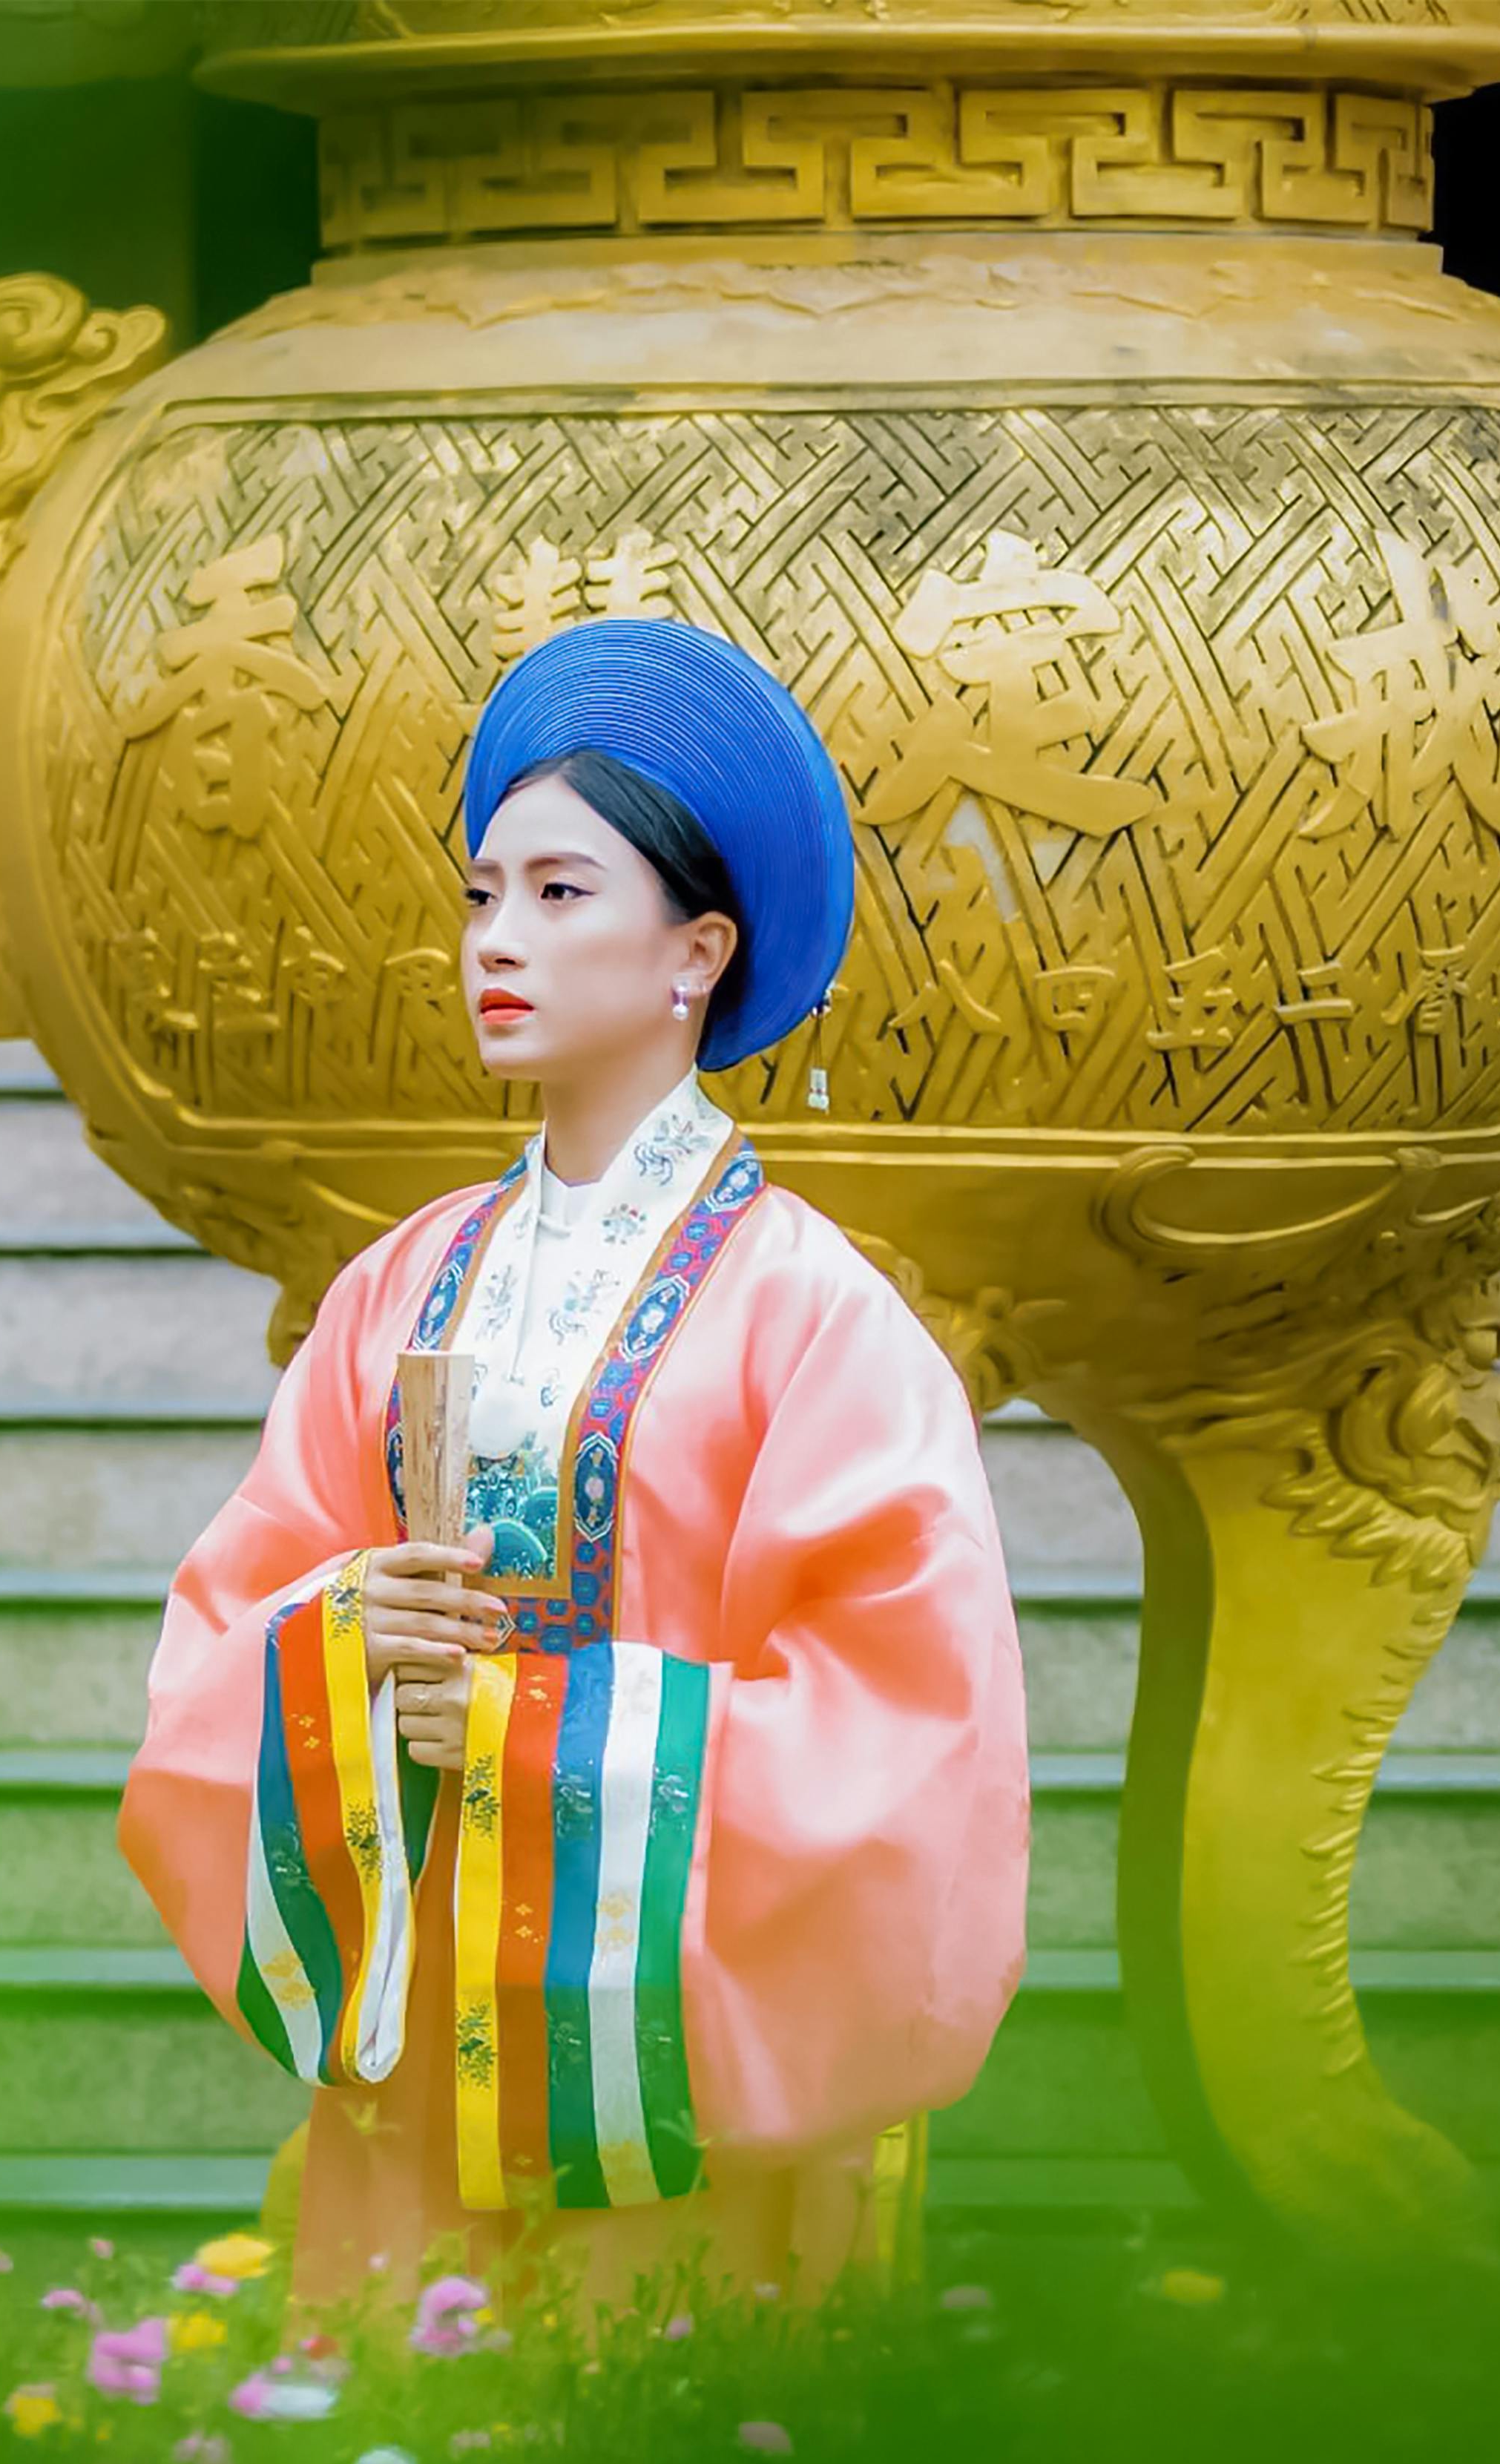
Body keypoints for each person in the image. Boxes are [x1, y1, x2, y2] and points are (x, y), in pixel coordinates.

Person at [116, 617, 1030, 2319]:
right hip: (419, 2061)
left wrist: (539, 1731)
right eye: (480, 895)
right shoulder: (397, 1286)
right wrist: (336, 1638)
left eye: (556, 895)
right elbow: (230, 1614)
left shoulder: (813, 1316)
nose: (493, 941)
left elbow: (908, 1730)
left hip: (674, 2076)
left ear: (697, 951)